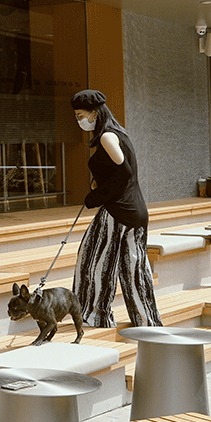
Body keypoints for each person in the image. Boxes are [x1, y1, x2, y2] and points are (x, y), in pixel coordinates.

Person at [71, 89, 162, 329]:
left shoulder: (106, 137)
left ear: (94, 113)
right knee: (134, 269)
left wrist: (94, 197)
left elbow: (123, 173)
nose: (79, 120)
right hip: (136, 211)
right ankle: (147, 321)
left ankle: (94, 315)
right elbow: (119, 171)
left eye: (80, 115)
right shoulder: (119, 133)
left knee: (92, 261)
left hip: (117, 212)